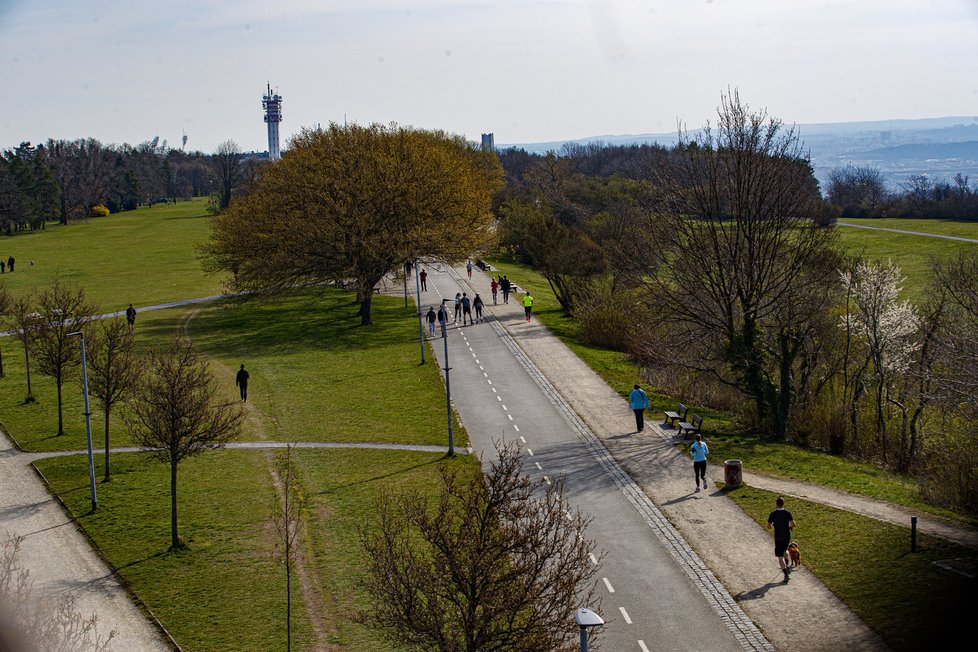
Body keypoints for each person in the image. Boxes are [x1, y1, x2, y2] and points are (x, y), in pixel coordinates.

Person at [767, 496, 797, 583]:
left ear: (776, 504)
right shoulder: (787, 513)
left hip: (778, 537)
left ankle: (786, 574)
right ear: (783, 503)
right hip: (786, 536)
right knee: (785, 550)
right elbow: (793, 524)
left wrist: (773, 525)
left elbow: (768, 526)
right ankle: (787, 565)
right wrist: (789, 527)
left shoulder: (773, 514)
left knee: (780, 557)